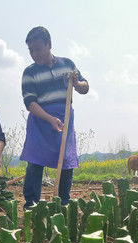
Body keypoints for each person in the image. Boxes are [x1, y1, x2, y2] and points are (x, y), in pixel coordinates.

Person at [20, 26, 89, 209]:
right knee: (35, 162)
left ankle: (62, 203)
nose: (34, 54)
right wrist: (50, 119)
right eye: (30, 50)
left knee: (65, 161)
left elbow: (85, 87)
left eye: (38, 49)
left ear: (49, 44)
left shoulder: (67, 64)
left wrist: (76, 82)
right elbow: (30, 103)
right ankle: (31, 205)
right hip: (40, 120)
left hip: (65, 117)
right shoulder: (29, 72)